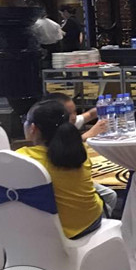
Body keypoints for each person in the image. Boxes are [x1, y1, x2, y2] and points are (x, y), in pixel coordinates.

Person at [18, 100, 104, 240]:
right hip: (91, 220)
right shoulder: (80, 150)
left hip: (53, 231)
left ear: (33, 128)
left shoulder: (23, 157)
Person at [41, 92, 116, 216]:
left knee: (111, 195)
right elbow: (65, 150)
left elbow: (89, 115)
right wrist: (88, 134)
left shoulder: (69, 122)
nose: (74, 116)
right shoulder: (51, 133)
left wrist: (104, 107)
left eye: (75, 111)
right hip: (63, 181)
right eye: (69, 113)